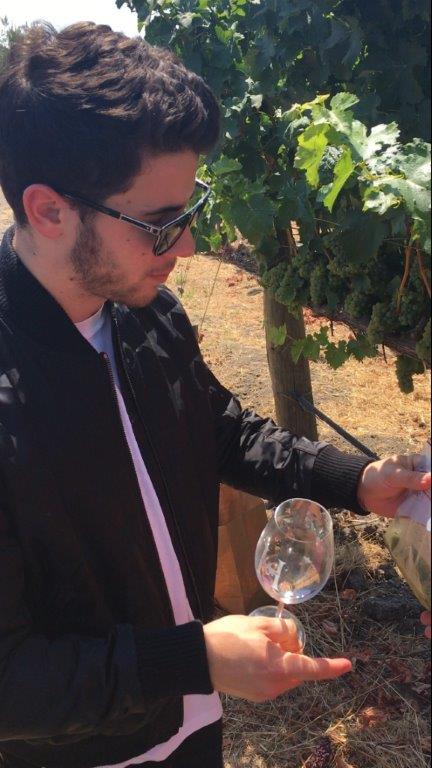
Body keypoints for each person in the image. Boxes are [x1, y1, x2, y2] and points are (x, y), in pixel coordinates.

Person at [0, 22, 430, 768]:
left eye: (189, 211)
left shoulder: (147, 314)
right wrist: (193, 659)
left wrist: (357, 481)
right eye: (159, 224)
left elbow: (220, 430)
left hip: (195, 722)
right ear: (49, 211)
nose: (190, 247)